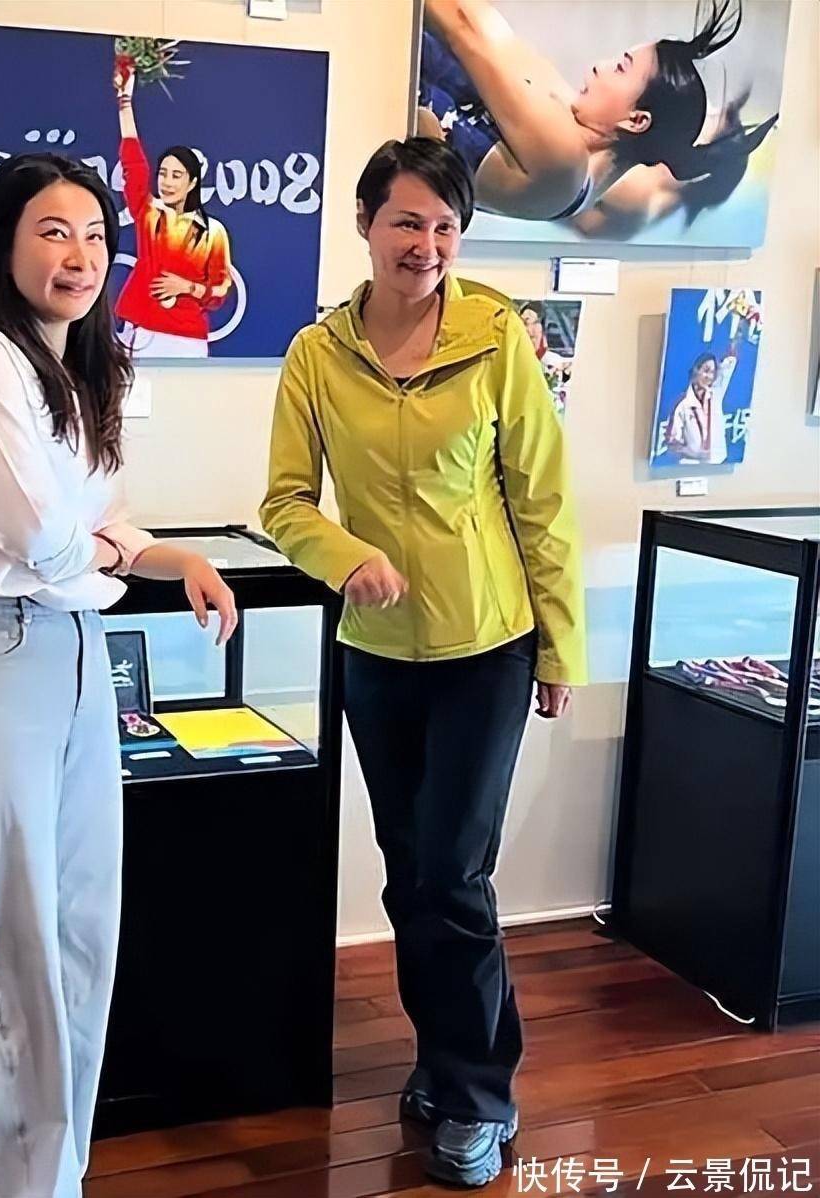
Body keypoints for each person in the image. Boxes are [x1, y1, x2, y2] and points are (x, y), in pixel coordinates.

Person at [0, 153, 237, 1198]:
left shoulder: (83, 371)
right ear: (3, 243)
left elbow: (98, 525)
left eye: (95, 235)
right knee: (3, 950)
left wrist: (172, 558)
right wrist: (98, 548)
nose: (79, 255)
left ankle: (55, 1178)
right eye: (52, 231)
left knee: (81, 936)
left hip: (76, 650)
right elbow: (44, 537)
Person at [260, 138, 586, 1188]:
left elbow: (541, 501)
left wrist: (559, 645)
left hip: (485, 649)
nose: (428, 245)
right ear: (365, 223)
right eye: (407, 221)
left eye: (446, 227)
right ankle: (440, 1058)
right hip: (376, 657)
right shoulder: (317, 354)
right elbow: (283, 502)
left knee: (453, 873)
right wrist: (345, 556)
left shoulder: (496, 340)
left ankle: (480, 1094)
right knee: (410, 875)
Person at [416, 0, 777, 237]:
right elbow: (491, 31)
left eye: (620, 68)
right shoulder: (572, 136)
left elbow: (466, 32)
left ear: (636, 121)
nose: (598, 67)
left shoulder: (564, 162)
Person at [111, 65, 232, 358]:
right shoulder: (149, 213)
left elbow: (220, 289)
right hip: (143, 332)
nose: (166, 182)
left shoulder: (212, 232)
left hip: (187, 339)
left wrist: (187, 287)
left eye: (176, 176)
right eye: (163, 173)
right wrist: (124, 103)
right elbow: (133, 162)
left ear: (192, 182)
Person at [662, 344, 737, 464]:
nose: (710, 377)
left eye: (713, 372)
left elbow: (729, 363)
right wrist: (694, 453)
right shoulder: (682, 405)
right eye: (706, 371)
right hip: (691, 467)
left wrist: (735, 340)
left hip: (719, 464)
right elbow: (672, 444)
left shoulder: (715, 395)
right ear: (695, 370)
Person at [518, 300, 572, 416]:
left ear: (543, 326)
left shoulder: (555, 363)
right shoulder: (516, 362)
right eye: (522, 323)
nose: (527, 329)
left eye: (530, 322)